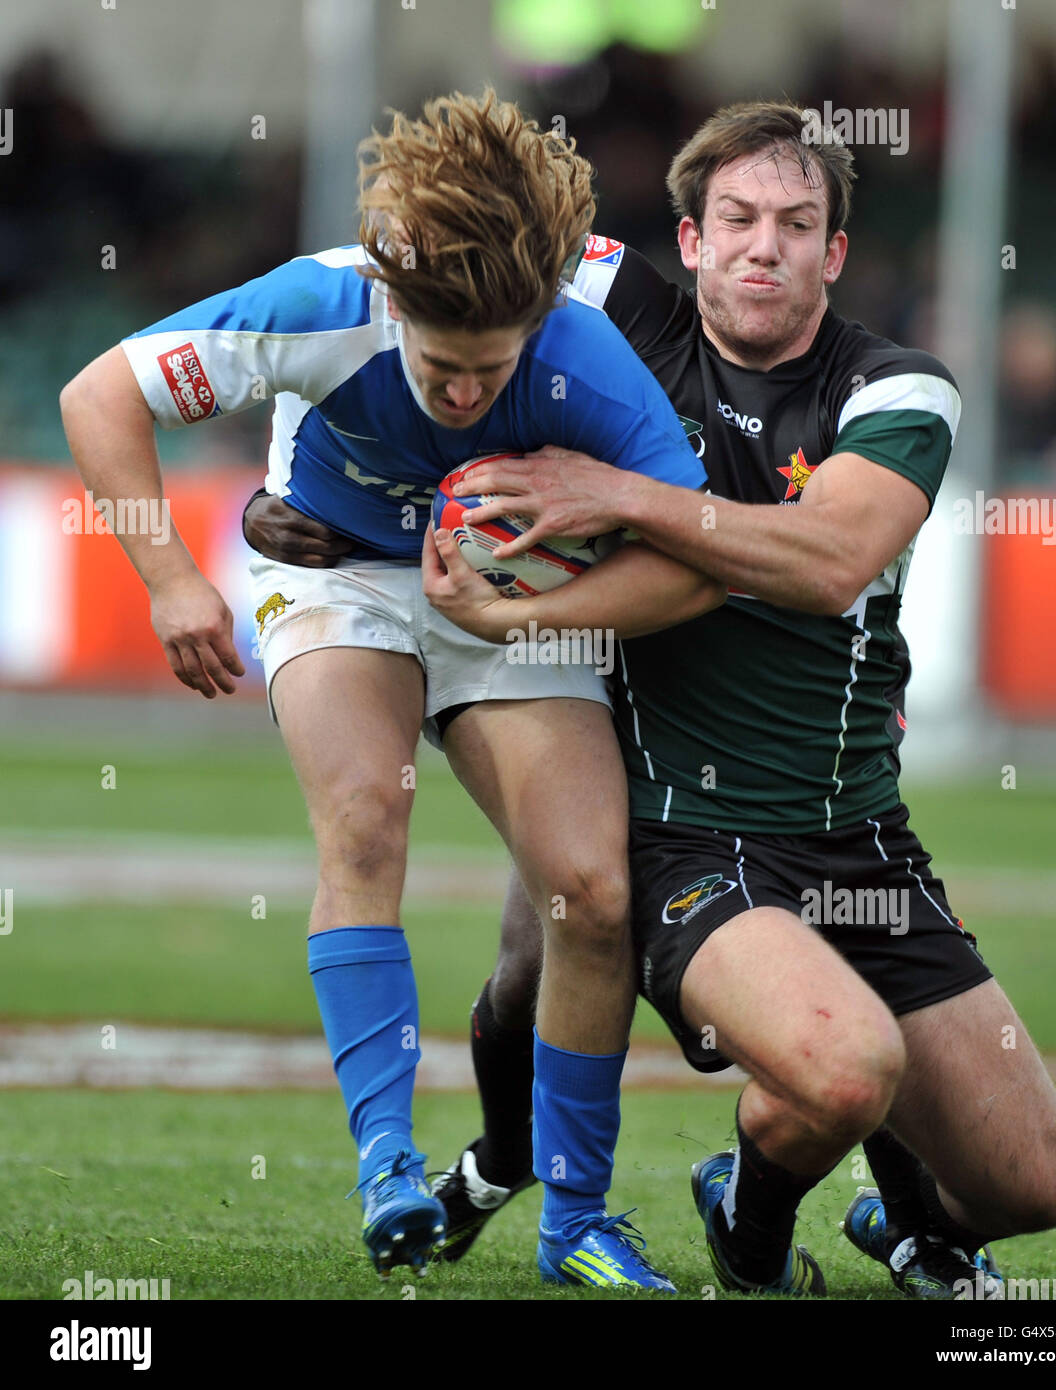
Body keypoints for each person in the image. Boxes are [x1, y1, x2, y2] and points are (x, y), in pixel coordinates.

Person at [246, 101, 1056, 1299]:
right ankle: (643, 1196)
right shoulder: (620, 313)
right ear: (685, 241)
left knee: (1037, 1186)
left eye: (798, 225)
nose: (764, 246)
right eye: (735, 220)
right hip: (678, 827)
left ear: (834, 254)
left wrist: (615, 496)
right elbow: (422, 262)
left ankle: (885, 1216)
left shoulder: (896, 386)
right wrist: (313, 489)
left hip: (856, 835)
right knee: (635, 966)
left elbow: (827, 557)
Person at [58, 90, 723, 1290]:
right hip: (333, 569)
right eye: (438, 365)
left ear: (534, 326)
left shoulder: (586, 359)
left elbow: (695, 562)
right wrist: (168, 578)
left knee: (592, 892)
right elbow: (98, 394)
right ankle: (387, 1166)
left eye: (491, 368)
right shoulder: (321, 301)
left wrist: (520, 609)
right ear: (392, 305)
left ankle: (574, 1223)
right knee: (365, 819)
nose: (464, 391)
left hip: (505, 593)